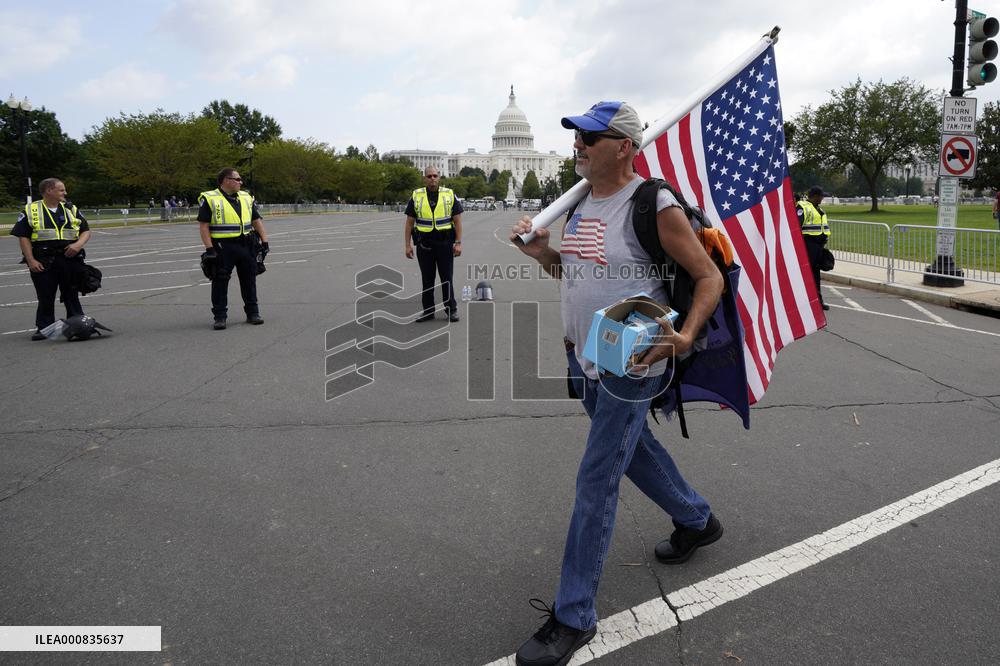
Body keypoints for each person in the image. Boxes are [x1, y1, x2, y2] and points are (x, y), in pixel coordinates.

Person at [508, 101, 724, 666]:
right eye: (577, 137)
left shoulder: (654, 205)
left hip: (632, 365)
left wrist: (686, 335)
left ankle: (572, 615)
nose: (578, 145)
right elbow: (575, 273)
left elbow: (708, 275)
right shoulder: (577, 204)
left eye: (591, 138)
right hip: (585, 358)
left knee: (597, 478)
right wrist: (542, 254)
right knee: (635, 454)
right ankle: (697, 519)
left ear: (625, 146)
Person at [10, 178, 91, 341]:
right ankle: (44, 328)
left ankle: (76, 325)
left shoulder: (70, 208)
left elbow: (85, 230)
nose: (65, 193)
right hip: (44, 260)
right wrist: (31, 260)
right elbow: (23, 236)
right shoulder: (31, 209)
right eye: (61, 190)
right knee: (45, 295)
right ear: (49, 191)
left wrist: (78, 244)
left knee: (71, 293)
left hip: (70, 259)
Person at [198, 168, 268, 330]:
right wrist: (209, 249)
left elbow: (256, 220)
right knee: (220, 281)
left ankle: (253, 313)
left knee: (249, 280)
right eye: (237, 179)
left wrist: (265, 242)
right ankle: (220, 317)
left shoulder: (245, 197)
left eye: (240, 179)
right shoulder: (210, 198)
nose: (240, 182)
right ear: (225, 180)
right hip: (223, 247)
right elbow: (204, 226)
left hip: (246, 244)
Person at [403, 166, 463, 322]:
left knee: (446, 278)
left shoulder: (449, 194)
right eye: (429, 176)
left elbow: (457, 221)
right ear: (424, 178)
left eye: (435, 175)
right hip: (425, 244)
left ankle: (451, 309)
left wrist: (458, 243)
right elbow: (409, 223)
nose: (432, 178)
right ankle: (428, 311)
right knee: (427, 279)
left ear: (439, 177)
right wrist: (407, 245)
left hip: (445, 243)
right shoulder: (416, 195)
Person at [795, 185, 831, 311]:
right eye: (821, 196)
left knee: (815, 275)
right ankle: (802, 302)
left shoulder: (818, 209)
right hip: (808, 245)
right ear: (815, 196)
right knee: (807, 274)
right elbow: (796, 227)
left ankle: (817, 302)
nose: (822, 198)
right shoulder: (803, 207)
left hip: (818, 246)